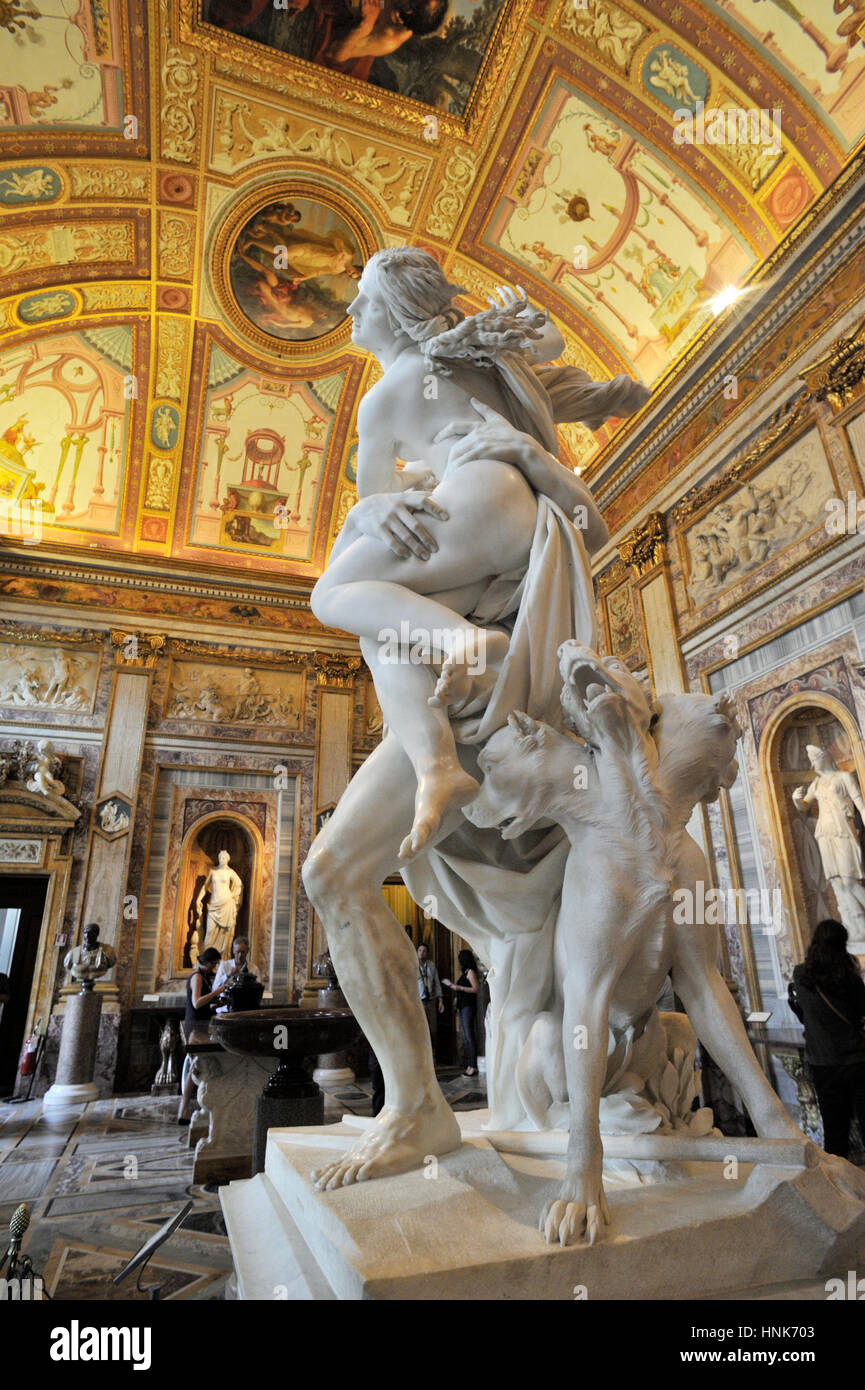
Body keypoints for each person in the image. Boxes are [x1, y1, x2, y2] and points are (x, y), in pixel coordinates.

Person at [310, 249, 649, 863]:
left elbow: (378, 510)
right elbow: (550, 352)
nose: (352, 306)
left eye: (366, 296)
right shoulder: (479, 363)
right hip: (518, 508)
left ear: (398, 312)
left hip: (466, 506)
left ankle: (469, 648)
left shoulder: (382, 398)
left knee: (331, 594)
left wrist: (369, 509)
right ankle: (439, 764)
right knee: (386, 635)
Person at [789, 919, 865, 1159]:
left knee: (835, 1132)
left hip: (822, 1063)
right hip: (856, 1059)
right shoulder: (849, 976)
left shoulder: (801, 975)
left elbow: (805, 1014)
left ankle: (840, 1187)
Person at [178, 947, 224, 1124]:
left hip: (201, 1025)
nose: (214, 968)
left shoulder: (203, 977)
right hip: (195, 1026)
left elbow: (204, 1002)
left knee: (194, 1066)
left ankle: (186, 1108)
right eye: (213, 964)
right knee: (194, 1066)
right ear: (207, 962)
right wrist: (217, 992)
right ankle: (184, 1108)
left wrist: (215, 1000)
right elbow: (196, 1003)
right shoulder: (197, 977)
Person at [443, 948, 481, 1076]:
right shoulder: (465, 972)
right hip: (463, 1006)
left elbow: (476, 989)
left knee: (469, 1036)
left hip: (469, 1006)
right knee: (465, 1036)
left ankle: (473, 1066)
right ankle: (470, 1064)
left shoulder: (470, 972)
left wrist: (459, 987)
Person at [212, 935, 258, 1013]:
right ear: (233, 950)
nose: (240, 955)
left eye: (243, 952)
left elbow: (258, 990)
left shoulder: (253, 969)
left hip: (247, 1009)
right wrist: (227, 975)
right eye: (238, 952)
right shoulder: (224, 966)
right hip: (225, 1008)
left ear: (247, 951)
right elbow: (215, 988)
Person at [416, 942, 443, 1046]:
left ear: (427, 953)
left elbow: (437, 982)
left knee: (432, 1027)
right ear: (417, 952)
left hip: (431, 1000)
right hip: (419, 1001)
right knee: (420, 1026)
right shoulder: (413, 965)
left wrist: (440, 1000)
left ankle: (433, 1052)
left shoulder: (431, 965)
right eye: (420, 951)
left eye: (424, 951)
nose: (422, 953)